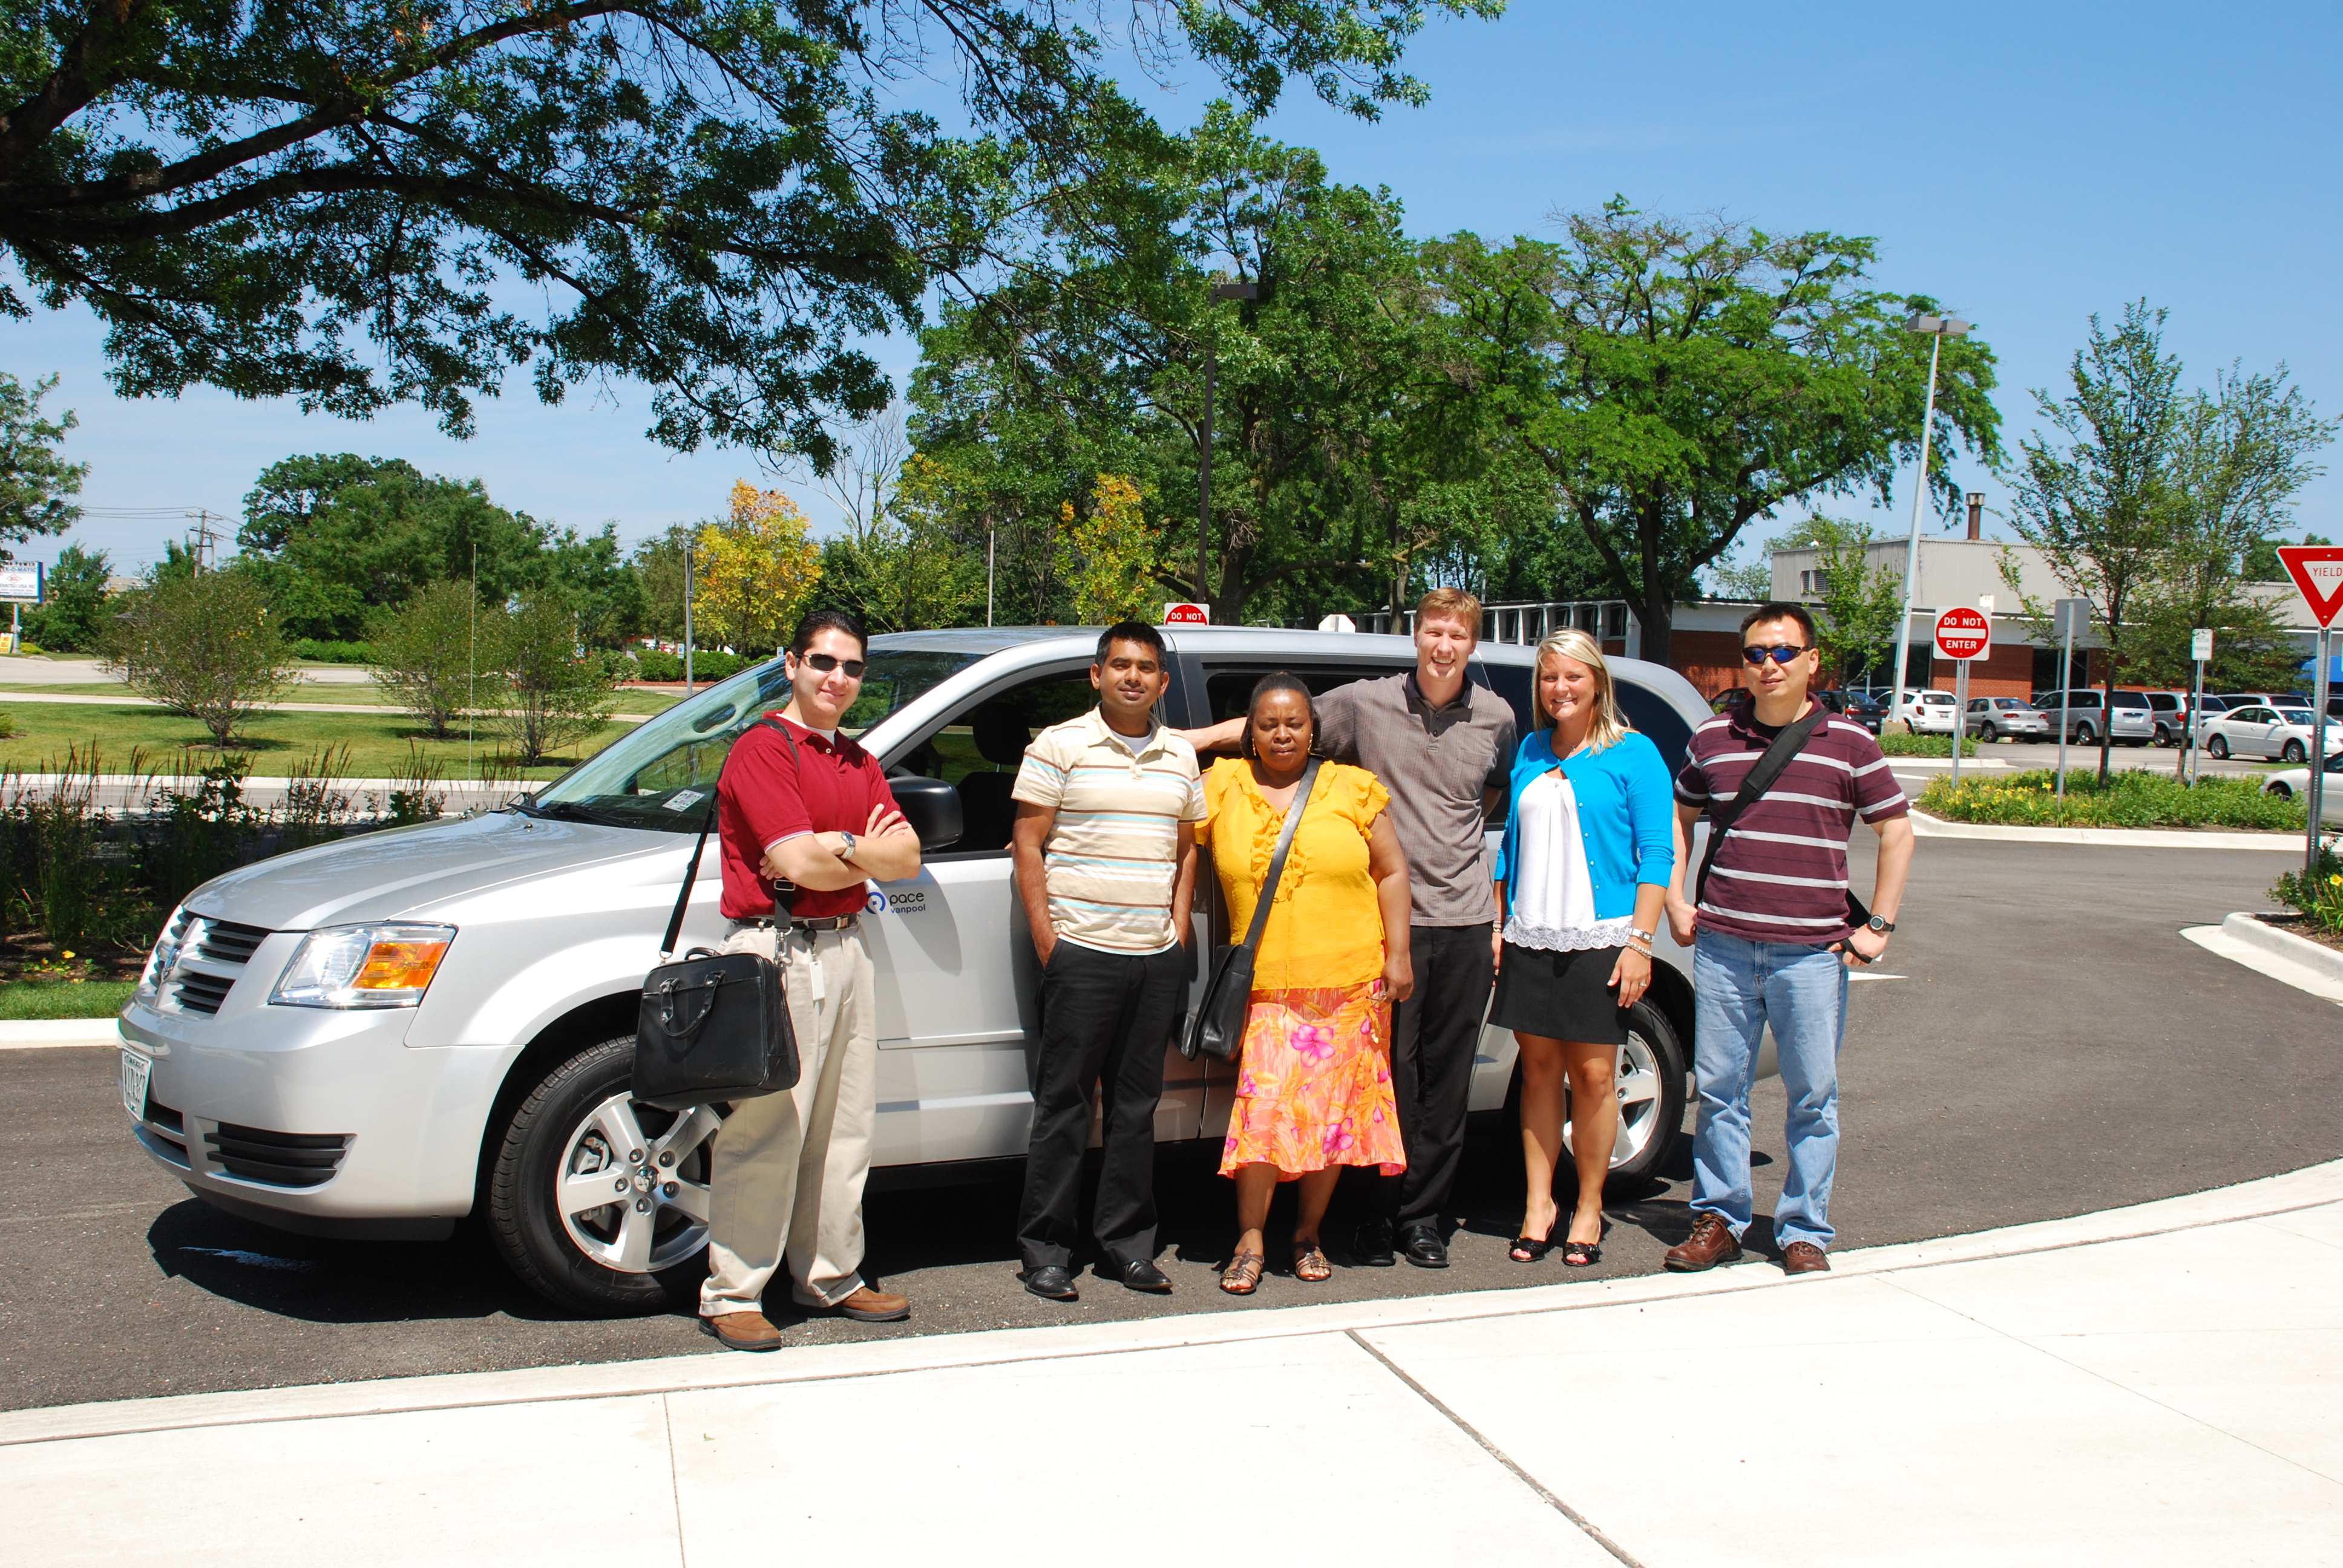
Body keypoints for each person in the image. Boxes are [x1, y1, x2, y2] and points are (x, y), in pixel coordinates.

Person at [1180, 587, 1514, 1270]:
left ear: (1472, 644)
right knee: (1384, 1082)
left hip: (1460, 916)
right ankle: (1371, 1217)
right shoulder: (1364, 702)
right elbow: (1270, 724)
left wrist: (1496, 912)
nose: (1443, 646)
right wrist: (1177, 741)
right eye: (1432, 632)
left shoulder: (1498, 715)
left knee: (1443, 1084)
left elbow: (1494, 798)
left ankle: (1419, 1221)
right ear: (1416, 637)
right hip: (1382, 929)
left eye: (1457, 635)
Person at [1662, 602, 1914, 1276]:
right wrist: (1675, 900)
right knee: (1718, 1090)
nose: (1767, 665)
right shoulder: (1711, 739)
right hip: (1723, 945)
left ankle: (1804, 1230)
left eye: (1780, 653)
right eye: (1754, 654)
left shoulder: (1850, 744)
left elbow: (1896, 830)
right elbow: (1679, 821)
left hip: (1810, 953)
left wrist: (1877, 927)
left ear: (1810, 662)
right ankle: (1717, 1219)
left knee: (1811, 1096)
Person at [699, 610, 925, 1351]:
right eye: (824, 663)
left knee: (845, 1126)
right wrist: (853, 852)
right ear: (790, 663)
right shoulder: (763, 752)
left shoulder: (856, 762)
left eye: (853, 668)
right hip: (779, 952)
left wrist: (839, 845)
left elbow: (908, 859)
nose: (838, 679)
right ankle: (733, 1291)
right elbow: (796, 868)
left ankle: (830, 1276)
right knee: (767, 1127)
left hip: (849, 946)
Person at [1196, 674, 1413, 1295]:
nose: (1282, 733)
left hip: (1351, 982)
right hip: (1266, 986)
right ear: (1250, 732)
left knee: (1333, 1119)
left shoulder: (1350, 787)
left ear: (1314, 729)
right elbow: (1163, 798)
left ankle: (1307, 1234)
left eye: (1294, 722)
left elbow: (1392, 871)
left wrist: (1398, 956)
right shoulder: (1224, 784)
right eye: (1268, 723)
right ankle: (1250, 1238)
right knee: (1263, 1115)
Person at [1009, 621, 1204, 1302]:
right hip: (1080, 954)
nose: (1132, 677)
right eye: (1119, 665)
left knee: (1134, 1109)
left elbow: (1186, 851)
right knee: (1062, 1106)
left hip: (1151, 959)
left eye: (1145, 668)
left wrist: (1175, 935)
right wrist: (1049, 944)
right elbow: (1026, 846)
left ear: (1161, 681)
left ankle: (1128, 1245)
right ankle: (1045, 1251)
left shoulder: (1181, 755)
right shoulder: (1059, 746)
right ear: (1096, 675)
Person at [1489, 629, 1674, 1267]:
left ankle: (1588, 1207)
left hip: (1602, 937)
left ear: (1596, 681)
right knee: (1536, 1073)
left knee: (1594, 1077)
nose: (1559, 689)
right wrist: (1498, 923)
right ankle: (1538, 1205)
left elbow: (1657, 852)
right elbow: (1510, 846)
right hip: (1530, 932)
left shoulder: (1634, 752)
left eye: (1572, 677)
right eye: (1548, 679)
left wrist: (1639, 943)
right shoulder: (1531, 751)